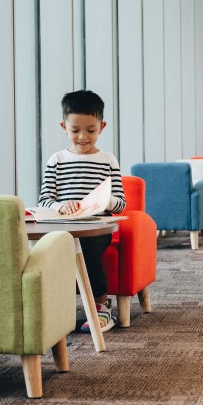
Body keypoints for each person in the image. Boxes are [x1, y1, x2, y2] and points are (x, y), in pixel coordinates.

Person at [39, 90, 126, 332]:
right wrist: (59, 205)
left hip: (96, 228)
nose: (82, 137)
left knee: (87, 249)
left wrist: (106, 201)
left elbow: (121, 203)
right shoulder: (56, 160)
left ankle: (101, 306)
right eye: (75, 130)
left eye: (91, 130)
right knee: (46, 253)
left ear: (102, 126)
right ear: (63, 126)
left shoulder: (108, 160)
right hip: (64, 226)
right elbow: (45, 199)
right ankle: (55, 308)